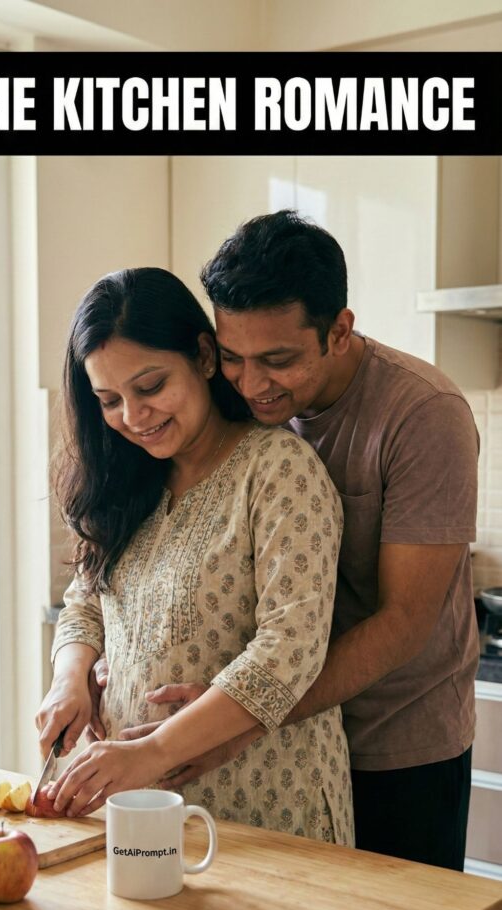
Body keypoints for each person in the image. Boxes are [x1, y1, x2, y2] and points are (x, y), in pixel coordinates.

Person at [116, 212, 479, 872]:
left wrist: (244, 716)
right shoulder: (234, 408)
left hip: (397, 741)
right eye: (232, 357)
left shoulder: (423, 416)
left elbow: (402, 622)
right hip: (284, 745)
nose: (252, 384)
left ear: (339, 331)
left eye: (277, 360)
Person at [36, 266, 354, 845]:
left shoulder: (280, 470)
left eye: (151, 387)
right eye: (109, 400)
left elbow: (290, 649)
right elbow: (85, 600)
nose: (133, 417)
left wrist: (153, 752)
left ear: (205, 357)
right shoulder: (127, 485)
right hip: (138, 809)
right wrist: (69, 677)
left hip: (265, 803)